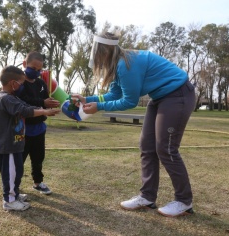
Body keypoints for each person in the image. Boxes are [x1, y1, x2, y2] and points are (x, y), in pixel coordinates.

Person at [72, 32, 196, 217]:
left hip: (177, 95)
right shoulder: (118, 65)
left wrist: (98, 107)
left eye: (96, 52)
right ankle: (147, 197)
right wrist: (88, 99)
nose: (95, 57)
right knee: (147, 147)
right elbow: (115, 94)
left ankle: (184, 201)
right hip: (159, 98)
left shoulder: (126, 64)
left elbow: (129, 101)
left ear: (105, 51)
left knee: (166, 148)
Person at [0, 66, 60, 211]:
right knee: (10, 174)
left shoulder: (13, 97)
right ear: (12, 83)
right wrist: (44, 111)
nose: (22, 86)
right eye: (21, 83)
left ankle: (14, 195)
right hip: (7, 145)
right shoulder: (5, 98)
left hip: (15, 144)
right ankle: (9, 200)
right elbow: (25, 110)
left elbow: (26, 105)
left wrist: (42, 107)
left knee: (17, 171)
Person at [18, 51, 60, 195]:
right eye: (32, 68)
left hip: (39, 129)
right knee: (19, 159)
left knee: (38, 158)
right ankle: (14, 186)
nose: (35, 72)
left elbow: (46, 101)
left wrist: (51, 105)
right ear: (24, 64)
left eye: (39, 70)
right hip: (22, 130)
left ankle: (38, 182)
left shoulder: (42, 83)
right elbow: (22, 102)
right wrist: (42, 103)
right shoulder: (19, 83)